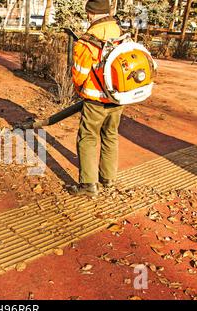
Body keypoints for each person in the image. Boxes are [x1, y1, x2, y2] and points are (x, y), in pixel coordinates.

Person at [68, 0, 123, 197]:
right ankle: (108, 179)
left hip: (94, 99)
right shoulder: (121, 34)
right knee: (111, 134)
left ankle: (88, 185)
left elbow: (80, 74)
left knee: (88, 137)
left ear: (91, 14)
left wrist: (79, 90)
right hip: (118, 97)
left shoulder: (87, 41)